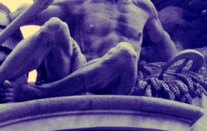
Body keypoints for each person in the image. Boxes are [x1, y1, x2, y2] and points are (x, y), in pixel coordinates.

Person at [0, 0, 177, 102]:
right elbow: (19, 18)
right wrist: (39, 5)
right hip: (78, 68)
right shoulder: (82, 1)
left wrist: (181, 69)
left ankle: (42, 93)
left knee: (125, 52)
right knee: (55, 26)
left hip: (117, 84)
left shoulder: (144, 7)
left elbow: (162, 42)